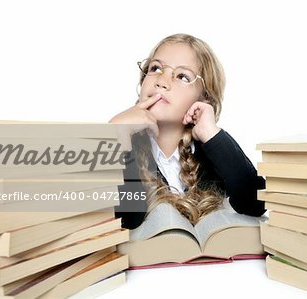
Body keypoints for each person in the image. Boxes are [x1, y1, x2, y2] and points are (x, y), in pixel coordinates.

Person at [109, 33, 265, 229]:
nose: (162, 81)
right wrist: (115, 136)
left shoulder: (209, 151)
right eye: (156, 68)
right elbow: (128, 218)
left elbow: (255, 203)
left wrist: (211, 133)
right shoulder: (124, 145)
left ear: (204, 98)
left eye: (182, 76)